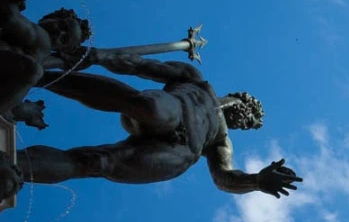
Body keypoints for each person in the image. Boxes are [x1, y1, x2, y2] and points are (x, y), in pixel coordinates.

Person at [6, 47, 301, 199]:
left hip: (182, 151)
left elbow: (224, 176)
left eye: (249, 120)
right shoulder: (196, 82)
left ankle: (10, 167)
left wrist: (256, 181)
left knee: (96, 163)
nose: (245, 117)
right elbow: (140, 65)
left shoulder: (222, 141)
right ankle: (43, 77)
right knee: (145, 105)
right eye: (247, 109)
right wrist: (98, 56)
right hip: (176, 108)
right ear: (238, 97)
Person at [0, 0, 91, 116]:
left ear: (61, 49)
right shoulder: (39, 39)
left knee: (34, 70)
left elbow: (10, 17)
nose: (59, 32)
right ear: (50, 17)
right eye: (62, 26)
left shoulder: (41, 40)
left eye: (63, 39)